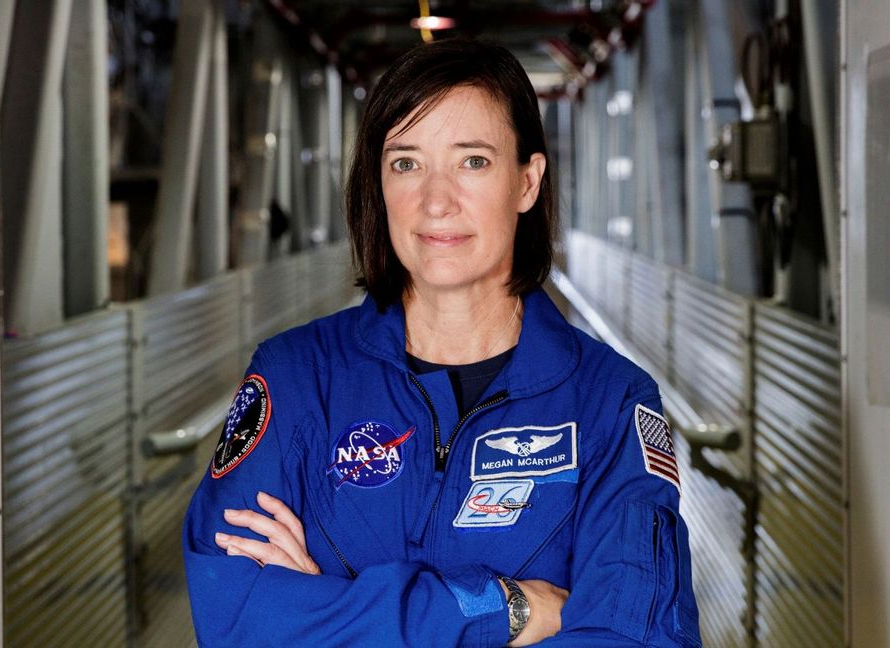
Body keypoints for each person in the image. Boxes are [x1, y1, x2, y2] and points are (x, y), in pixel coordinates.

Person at [183, 38, 701, 647]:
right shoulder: (297, 378)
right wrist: (502, 609)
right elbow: (237, 615)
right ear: (378, 182)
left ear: (527, 182)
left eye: (473, 161)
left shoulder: (609, 402)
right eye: (406, 163)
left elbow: (636, 638)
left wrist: (331, 609)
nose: (435, 201)